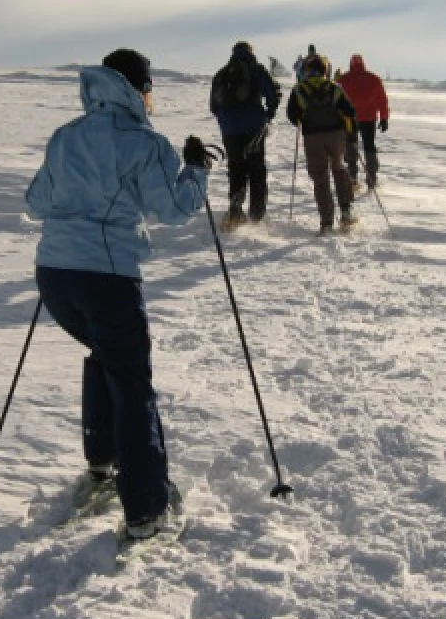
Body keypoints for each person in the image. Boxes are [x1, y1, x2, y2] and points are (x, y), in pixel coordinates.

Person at [24, 48, 212, 541]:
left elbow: (36, 201)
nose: (152, 98)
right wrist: (196, 170)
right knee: (131, 379)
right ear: (137, 88)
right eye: (150, 89)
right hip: (106, 277)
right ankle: (146, 508)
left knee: (106, 355)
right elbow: (173, 210)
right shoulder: (144, 143)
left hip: (55, 275)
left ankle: (103, 462)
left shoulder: (65, 138)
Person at [209, 41, 281, 229]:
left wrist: (226, 121)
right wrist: (269, 114)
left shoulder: (222, 73)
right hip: (253, 127)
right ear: (250, 52)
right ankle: (257, 215)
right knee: (256, 168)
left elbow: (213, 106)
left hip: (230, 129)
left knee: (236, 167)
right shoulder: (256, 70)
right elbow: (272, 94)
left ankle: (235, 209)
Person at [286, 54, 360, 235]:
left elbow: (292, 115)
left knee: (320, 178)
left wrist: (302, 121)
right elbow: (350, 111)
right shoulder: (334, 87)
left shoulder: (299, 89)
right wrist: (350, 135)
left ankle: (326, 223)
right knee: (339, 169)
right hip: (336, 135)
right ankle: (346, 211)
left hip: (313, 137)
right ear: (325, 70)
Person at [337, 53, 390, 190]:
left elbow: (336, 101)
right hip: (369, 118)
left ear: (351, 64)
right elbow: (382, 100)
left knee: (350, 145)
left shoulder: (343, 79)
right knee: (369, 147)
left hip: (349, 119)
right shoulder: (374, 79)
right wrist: (384, 118)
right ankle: (371, 177)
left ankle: (352, 177)